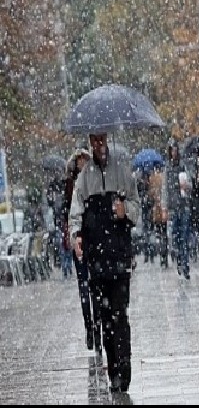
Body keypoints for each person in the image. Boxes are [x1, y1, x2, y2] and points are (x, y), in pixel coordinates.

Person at [69, 132, 140, 393]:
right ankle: (114, 372)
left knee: (120, 316)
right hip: (97, 262)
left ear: (107, 140)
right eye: (93, 141)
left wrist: (126, 211)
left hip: (119, 258)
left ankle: (125, 366)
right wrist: (76, 236)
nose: (98, 145)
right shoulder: (84, 178)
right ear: (90, 142)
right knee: (104, 320)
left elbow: (136, 206)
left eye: (101, 140)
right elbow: (75, 214)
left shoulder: (122, 171)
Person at [63, 146, 95, 350]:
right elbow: (66, 211)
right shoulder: (70, 187)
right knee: (84, 286)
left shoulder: (93, 182)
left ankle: (98, 324)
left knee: (95, 286)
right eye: (79, 161)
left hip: (94, 238)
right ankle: (89, 327)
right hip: (79, 239)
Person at [162, 140, 192, 279]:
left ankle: (185, 265)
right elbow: (165, 189)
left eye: (175, 150)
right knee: (176, 237)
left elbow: (190, 184)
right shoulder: (167, 168)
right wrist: (165, 207)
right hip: (174, 207)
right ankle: (180, 259)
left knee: (184, 237)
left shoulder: (183, 166)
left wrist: (187, 187)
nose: (174, 153)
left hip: (183, 205)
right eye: (171, 150)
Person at [148, 165, 168, 267]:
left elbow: (150, 196)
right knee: (164, 233)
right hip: (163, 210)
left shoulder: (152, 179)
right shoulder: (164, 177)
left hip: (157, 210)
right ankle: (164, 255)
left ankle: (161, 255)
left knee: (159, 234)